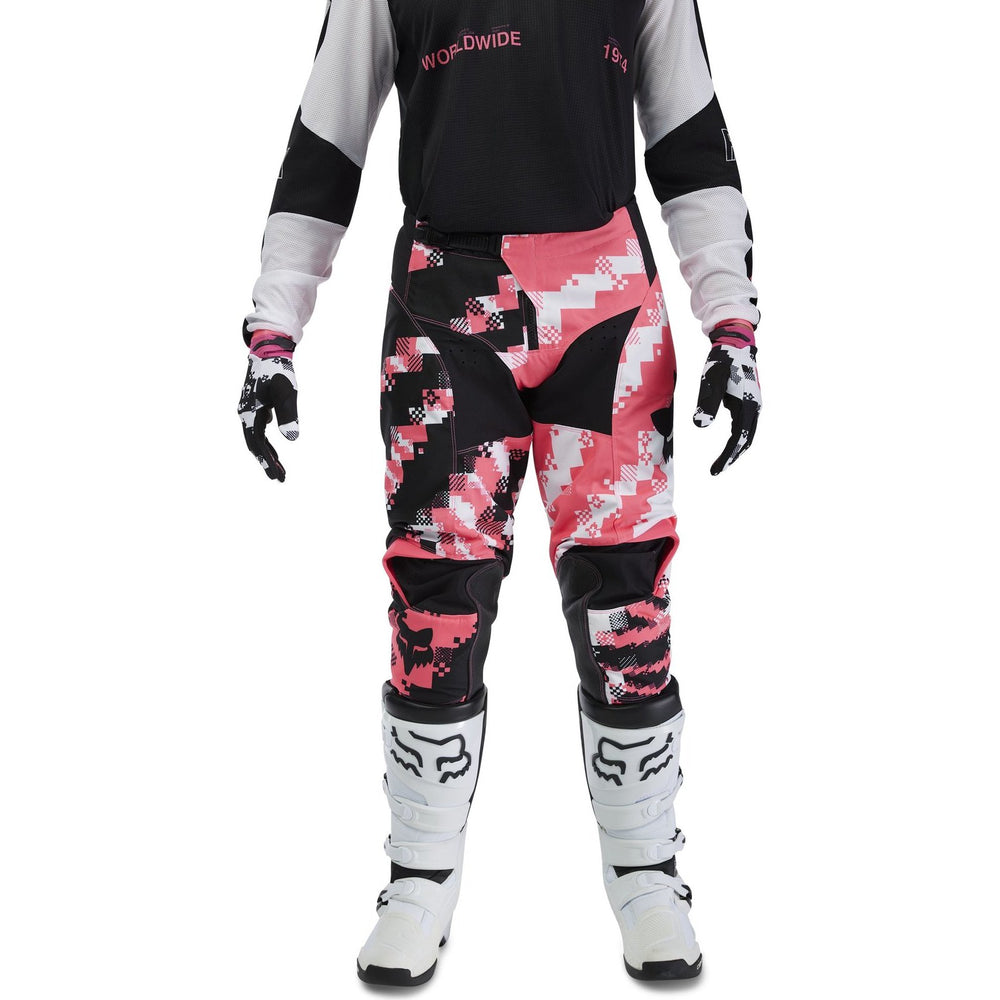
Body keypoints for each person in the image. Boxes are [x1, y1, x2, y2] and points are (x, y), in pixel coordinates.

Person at [237, 0, 761, 985]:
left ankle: (647, 876)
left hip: (606, 305)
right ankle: (419, 881)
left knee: (626, 600)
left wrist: (732, 325)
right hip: (448, 303)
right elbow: (326, 139)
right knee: (435, 599)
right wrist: (273, 332)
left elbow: (690, 133)